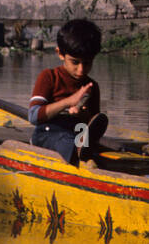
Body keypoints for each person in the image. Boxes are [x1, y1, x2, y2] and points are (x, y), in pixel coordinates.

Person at [28, 18, 108, 164]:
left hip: (77, 133)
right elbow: (33, 116)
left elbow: (93, 122)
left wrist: (83, 115)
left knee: (83, 138)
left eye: (87, 63)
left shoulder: (92, 86)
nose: (81, 69)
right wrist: (68, 102)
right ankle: (81, 154)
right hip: (48, 133)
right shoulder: (49, 77)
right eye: (75, 62)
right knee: (67, 141)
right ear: (60, 54)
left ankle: (84, 151)